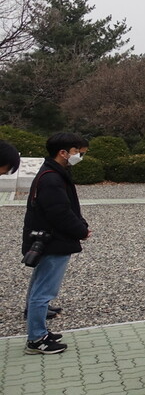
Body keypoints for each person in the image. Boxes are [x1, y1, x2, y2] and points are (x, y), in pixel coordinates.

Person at [22, 132, 91, 355]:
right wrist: (81, 230)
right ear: (63, 152)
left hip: (47, 239)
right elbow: (59, 213)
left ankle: (39, 331)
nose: (80, 156)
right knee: (43, 291)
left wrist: (80, 223)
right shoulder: (52, 177)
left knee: (39, 288)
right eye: (78, 152)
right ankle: (36, 339)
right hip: (52, 241)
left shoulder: (51, 173)